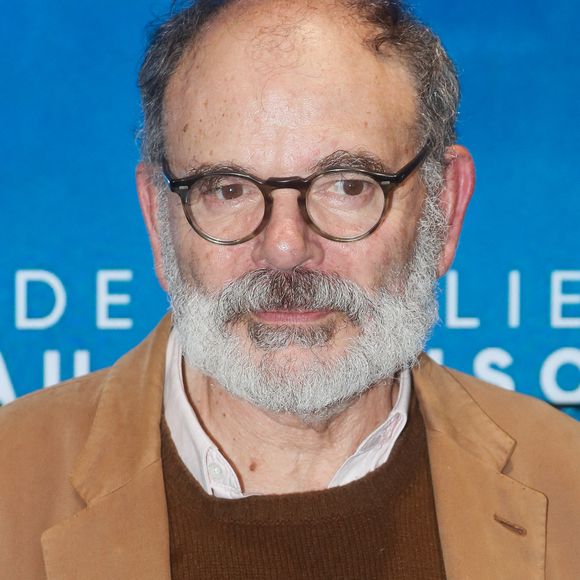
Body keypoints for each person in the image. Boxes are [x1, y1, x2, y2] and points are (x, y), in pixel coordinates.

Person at [1, 0, 578, 578]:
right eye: (227, 189)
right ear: (158, 220)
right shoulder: (12, 479)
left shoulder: (566, 482)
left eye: (347, 185)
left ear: (444, 208)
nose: (284, 247)